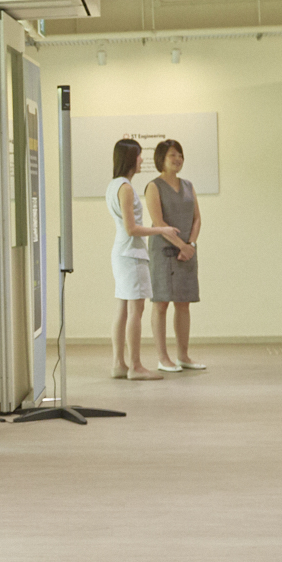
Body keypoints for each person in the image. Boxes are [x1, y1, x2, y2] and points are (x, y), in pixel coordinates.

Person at [107, 137, 187, 380]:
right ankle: (135, 366)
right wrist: (161, 230)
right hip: (131, 254)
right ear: (131, 158)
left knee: (123, 309)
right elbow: (132, 228)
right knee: (135, 310)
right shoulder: (125, 188)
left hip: (122, 252)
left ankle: (119, 363)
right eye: (140, 155)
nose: (142, 159)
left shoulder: (115, 185)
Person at [145, 138, 203, 371]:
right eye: (172, 155)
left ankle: (183, 356)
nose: (177, 159)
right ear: (161, 159)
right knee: (161, 303)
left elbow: (197, 218)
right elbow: (158, 223)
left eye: (180, 154)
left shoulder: (188, 185)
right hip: (164, 251)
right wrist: (182, 245)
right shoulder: (153, 186)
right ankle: (163, 358)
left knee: (184, 303)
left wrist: (190, 244)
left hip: (187, 251)